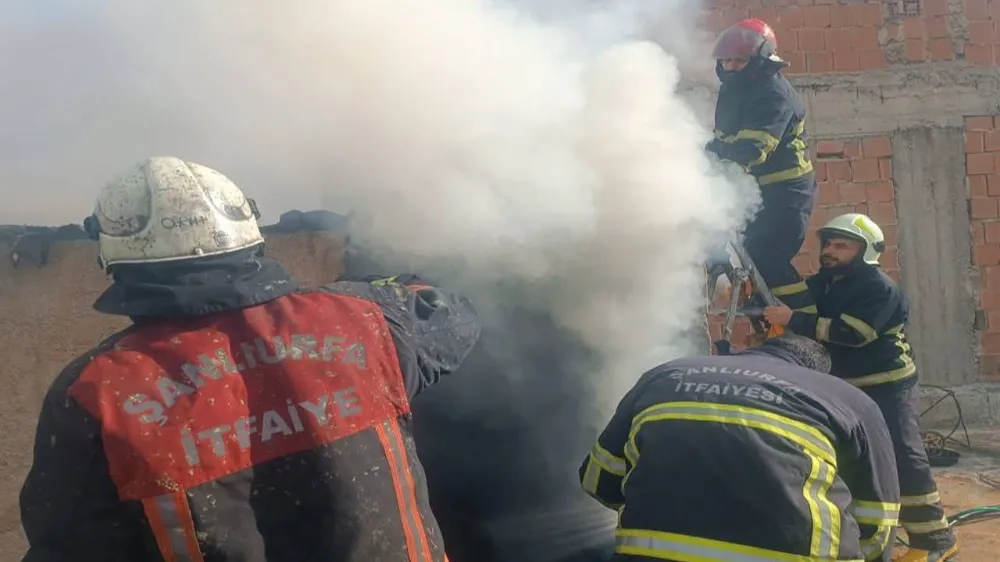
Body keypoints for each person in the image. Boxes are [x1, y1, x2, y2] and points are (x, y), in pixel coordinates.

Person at [19, 156, 481, 562]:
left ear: (112, 256)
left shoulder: (98, 391)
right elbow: (451, 318)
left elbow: (70, 545)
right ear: (247, 229)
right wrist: (378, 287)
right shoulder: (362, 320)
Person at [580, 334, 900, 562]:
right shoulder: (847, 400)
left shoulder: (663, 375)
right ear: (813, 372)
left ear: (751, 351)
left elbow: (597, 480)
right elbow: (877, 516)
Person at [763, 213, 958, 562]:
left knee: (903, 458)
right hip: (844, 389)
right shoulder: (825, 283)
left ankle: (934, 541)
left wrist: (793, 320)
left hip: (886, 387)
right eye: (828, 244)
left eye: (842, 245)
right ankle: (867, 535)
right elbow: (796, 303)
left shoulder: (878, 289)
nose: (830, 251)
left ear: (866, 251)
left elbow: (854, 334)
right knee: (851, 463)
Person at [706, 18, 817, 312]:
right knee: (747, 254)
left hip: (786, 194)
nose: (730, 67)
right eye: (726, 60)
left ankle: (804, 321)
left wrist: (712, 176)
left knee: (767, 257)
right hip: (756, 191)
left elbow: (752, 150)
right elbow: (722, 141)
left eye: (739, 60)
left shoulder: (774, 95)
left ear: (761, 59)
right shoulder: (734, 91)